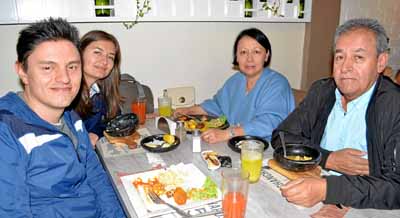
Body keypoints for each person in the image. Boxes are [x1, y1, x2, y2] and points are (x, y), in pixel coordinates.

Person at [271, 18, 400, 212]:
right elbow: (281, 136)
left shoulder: (394, 105)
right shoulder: (322, 91)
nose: (345, 67)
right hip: (311, 187)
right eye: (340, 57)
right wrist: (326, 158)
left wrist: (329, 190)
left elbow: (395, 187)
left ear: (380, 62)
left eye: (358, 58)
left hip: (368, 205)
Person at [0, 18, 125, 217]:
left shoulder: (71, 118)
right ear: (22, 71)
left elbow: (97, 178)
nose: (65, 78)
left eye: (72, 67)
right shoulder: (7, 131)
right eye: (48, 68)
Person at [174, 28, 295, 144]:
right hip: (235, 144)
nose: (249, 58)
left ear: (267, 55)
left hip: (267, 149)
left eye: (256, 52)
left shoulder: (277, 83)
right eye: (243, 52)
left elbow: (269, 123)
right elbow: (217, 105)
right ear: (237, 57)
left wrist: (228, 133)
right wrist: (187, 111)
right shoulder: (236, 80)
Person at [72, 30, 122, 146]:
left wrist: (96, 133)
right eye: (97, 52)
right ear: (79, 53)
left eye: (110, 57)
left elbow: (113, 121)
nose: (104, 61)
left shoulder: (101, 91)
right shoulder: (64, 92)